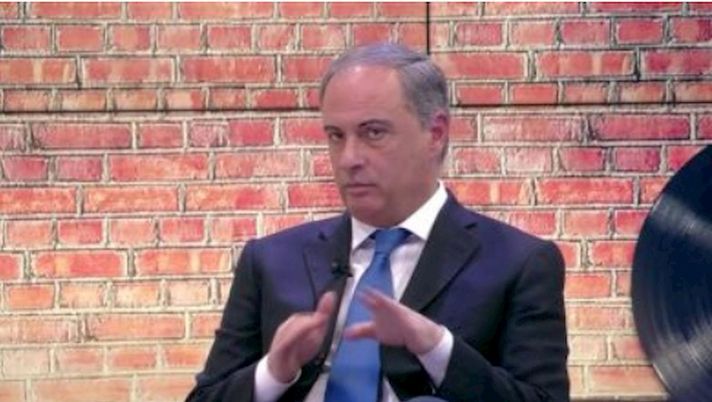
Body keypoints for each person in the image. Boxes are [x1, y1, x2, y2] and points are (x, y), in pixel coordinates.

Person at [185, 43, 569, 402]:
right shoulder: (270, 260)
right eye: (336, 136)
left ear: (435, 134)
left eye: (373, 133)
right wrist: (273, 372)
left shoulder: (519, 263)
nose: (348, 158)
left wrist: (438, 349)